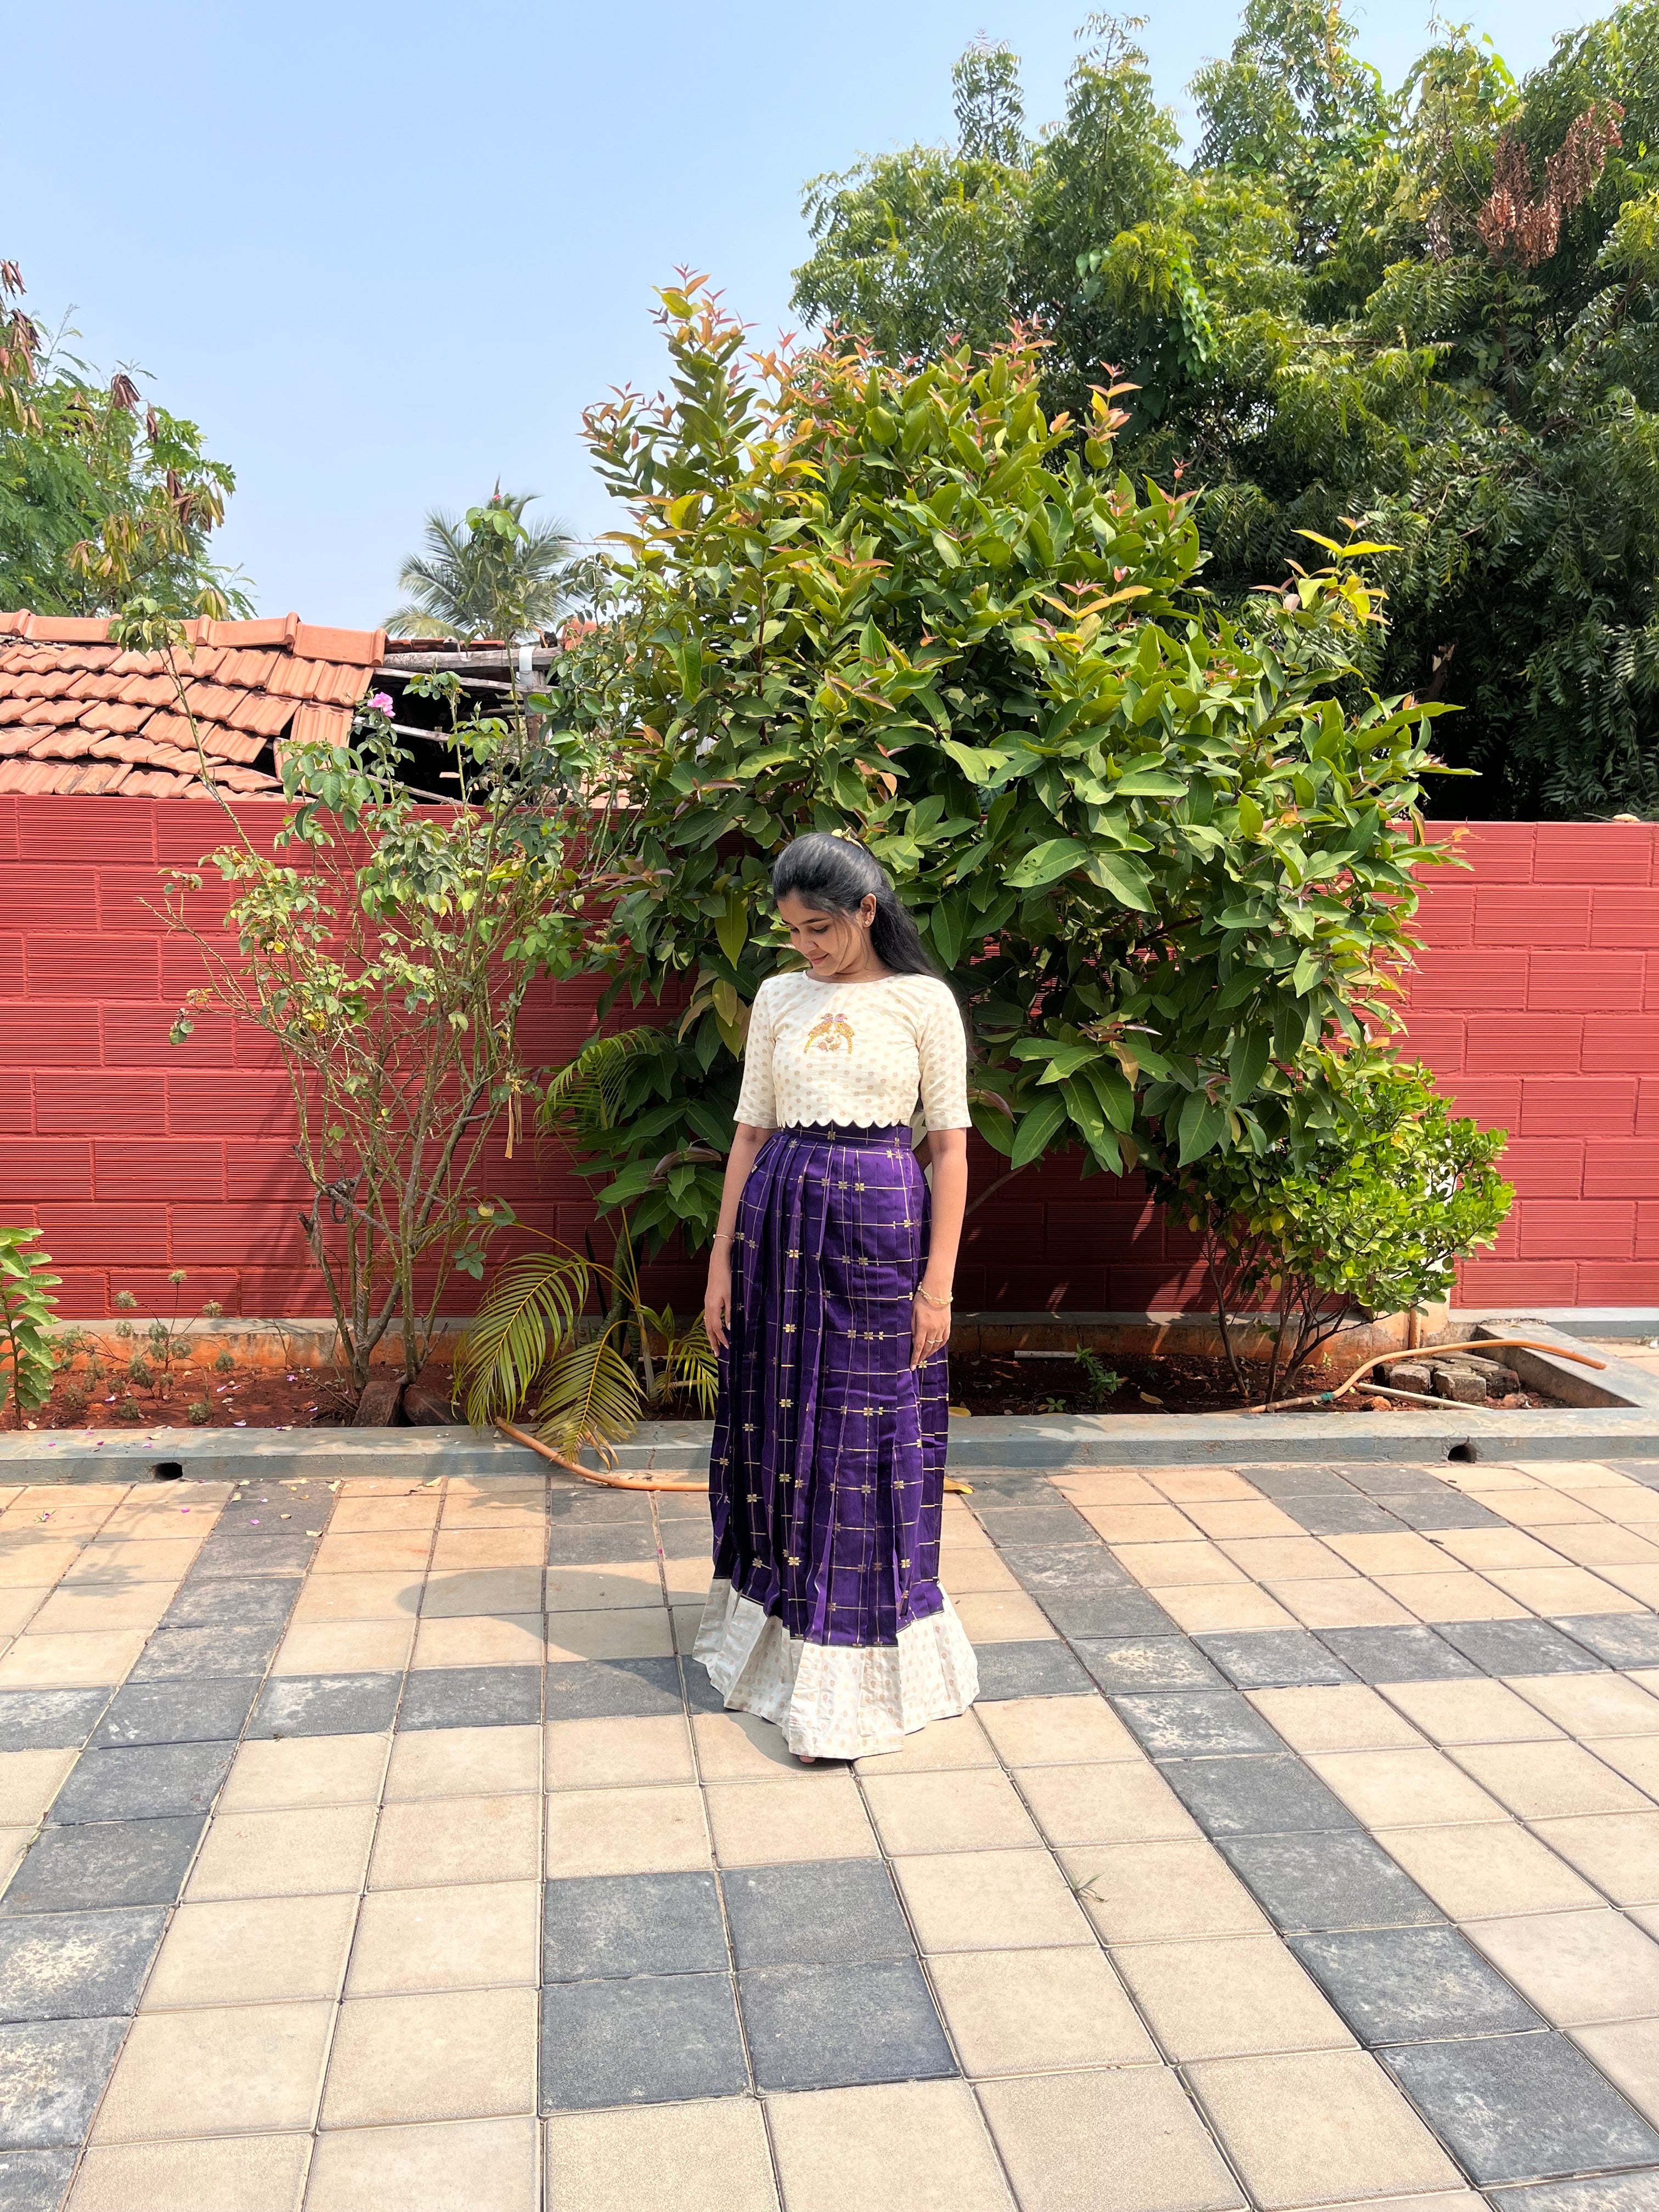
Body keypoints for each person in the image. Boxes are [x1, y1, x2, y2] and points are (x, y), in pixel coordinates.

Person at [697, 832, 978, 1762]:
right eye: (793, 933)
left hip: (880, 1236)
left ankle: (851, 1669)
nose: (807, 949)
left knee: (863, 1432)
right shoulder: (778, 998)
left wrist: (937, 1285)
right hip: (777, 1230)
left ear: (867, 911)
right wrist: (720, 1263)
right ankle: (779, 1641)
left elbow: (948, 1149)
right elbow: (746, 1137)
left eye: (821, 928)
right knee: (779, 1428)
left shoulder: (922, 1003)